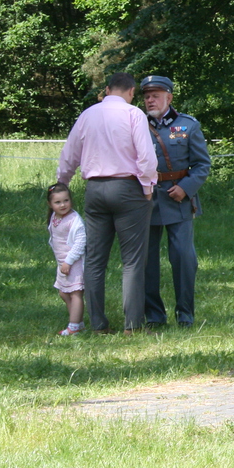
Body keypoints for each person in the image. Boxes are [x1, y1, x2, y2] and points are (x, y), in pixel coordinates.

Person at [57, 72, 158, 334]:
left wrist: (62, 183)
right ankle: (132, 325)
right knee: (133, 260)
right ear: (132, 92)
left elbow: (70, 154)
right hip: (127, 188)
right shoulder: (134, 114)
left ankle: (98, 324)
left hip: (95, 189)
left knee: (94, 260)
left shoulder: (88, 114)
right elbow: (146, 157)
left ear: (106, 89)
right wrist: (147, 186)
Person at [141, 75, 211, 329]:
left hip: (178, 197)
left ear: (169, 97)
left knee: (183, 258)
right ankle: (154, 316)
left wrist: (186, 188)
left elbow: (202, 165)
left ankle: (185, 315)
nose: (150, 100)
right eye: (146, 96)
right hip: (145, 198)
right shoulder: (135, 124)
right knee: (147, 261)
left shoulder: (187, 125)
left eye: (155, 95)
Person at [47, 183, 86, 336]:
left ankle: (74, 327)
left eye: (66, 200)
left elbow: (80, 242)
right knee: (64, 293)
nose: (63, 205)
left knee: (75, 293)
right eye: (57, 202)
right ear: (50, 204)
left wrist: (69, 261)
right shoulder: (54, 217)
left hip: (73, 262)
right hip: (62, 263)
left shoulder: (74, 219)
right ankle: (78, 323)